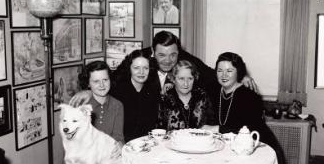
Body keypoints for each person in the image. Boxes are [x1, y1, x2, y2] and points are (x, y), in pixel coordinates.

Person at [70, 31, 257, 109]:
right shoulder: (138, 58)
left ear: (179, 51)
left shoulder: (185, 58)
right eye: (161, 56)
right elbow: (114, 78)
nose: (168, 61)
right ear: (152, 52)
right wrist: (90, 90)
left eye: (173, 55)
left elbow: (211, 75)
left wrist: (242, 76)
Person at [202, 52, 286, 164]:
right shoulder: (213, 90)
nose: (224, 75)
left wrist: (217, 128)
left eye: (229, 70)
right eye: (220, 70)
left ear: (239, 72)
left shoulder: (250, 95)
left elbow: (248, 128)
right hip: (229, 147)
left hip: (255, 146)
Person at [66, 61, 124, 164]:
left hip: (106, 163)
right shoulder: (80, 106)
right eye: (96, 81)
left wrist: (119, 145)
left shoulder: (117, 105)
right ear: (88, 84)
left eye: (105, 80)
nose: (102, 85)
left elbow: (119, 136)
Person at [111, 49, 159, 142]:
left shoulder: (153, 91)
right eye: (136, 68)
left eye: (145, 68)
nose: (141, 72)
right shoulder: (117, 91)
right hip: (122, 145)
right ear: (129, 68)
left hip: (147, 145)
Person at [157, 60, 214, 130]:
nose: (186, 84)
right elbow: (159, 130)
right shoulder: (165, 99)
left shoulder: (202, 96)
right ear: (173, 79)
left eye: (190, 79)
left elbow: (211, 124)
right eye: (181, 79)